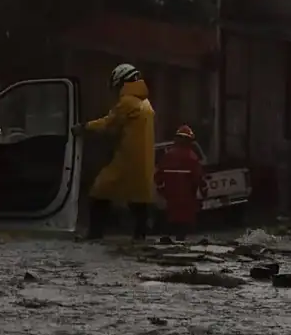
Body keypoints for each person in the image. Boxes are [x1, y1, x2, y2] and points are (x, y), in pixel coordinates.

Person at [72, 63, 155, 240]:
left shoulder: (127, 102)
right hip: (143, 159)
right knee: (138, 199)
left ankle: (95, 234)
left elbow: (109, 123)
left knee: (99, 191)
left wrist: (84, 127)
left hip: (127, 158)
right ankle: (140, 237)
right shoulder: (145, 103)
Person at [155, 125, 207, 241]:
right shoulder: (192, 157)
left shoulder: (168, 155)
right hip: (187, 197)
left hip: (171, 196)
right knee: (184, 223)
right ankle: (179, 240)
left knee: (171, 219)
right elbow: (199, 178)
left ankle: (169, 239)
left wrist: (162, 191)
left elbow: (158, 176)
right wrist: (203, 192)